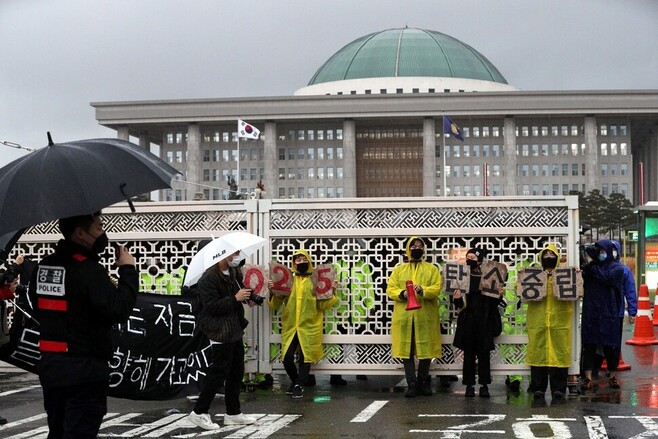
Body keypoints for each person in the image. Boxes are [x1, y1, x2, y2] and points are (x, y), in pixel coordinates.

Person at [28, 212, 138, 438]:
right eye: (98, 228)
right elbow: (118, 309)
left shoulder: (44, 267)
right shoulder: (89, 270)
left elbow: (37, 308)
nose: (102, 234)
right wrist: (128, 269)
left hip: (52, 368)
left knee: (57, 431)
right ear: (80, 233)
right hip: (85, 370)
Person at [187, 249, 257, 430]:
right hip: (219, 330)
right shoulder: (208, 278)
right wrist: (235, 298)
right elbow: (210, 307)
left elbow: (240, 293)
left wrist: (249, 298)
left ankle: (233, 413)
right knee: (219, 372)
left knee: (236, 371)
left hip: (234, 329)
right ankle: (199, 412)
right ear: (222, 254)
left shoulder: (233, 273)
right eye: (234, 253)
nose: (237, 257)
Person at [267, 249, 338, 399]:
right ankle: (296, 381)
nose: (301, 262)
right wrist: (272, 291)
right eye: (298, 260)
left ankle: (299, 385)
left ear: (309, 261)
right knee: (286, 357)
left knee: (305, 357)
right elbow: (276, 303)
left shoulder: (315, 280)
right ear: (293, 263)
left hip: (309, 325)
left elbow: (323, 305)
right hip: (291, 326)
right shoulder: (288, 280)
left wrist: (332, 291)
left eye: (303, 259)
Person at [385, 237, 442, 397]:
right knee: (407, 351)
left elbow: (436, 288)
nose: (417, 248)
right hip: (404, 317)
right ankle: (411, 383)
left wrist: (423, 290)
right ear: (408, 249)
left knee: (426, 351)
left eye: (420, 246)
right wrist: (402, 294)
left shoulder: (432, 269)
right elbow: (391, 289)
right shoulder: (399, 270)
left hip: (425, 317)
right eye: (414, 245)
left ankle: (423, 382)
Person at [453, 247, 504, 398]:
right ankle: (469, 386)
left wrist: (499, 295)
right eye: (467, 257)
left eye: (473, 257)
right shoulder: (462, 277)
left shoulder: (489, 277)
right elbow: (458, 304)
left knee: (484, 356)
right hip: (468, 321)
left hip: (484, 321)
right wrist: (456, 297)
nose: (470, 260)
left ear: (480, 259)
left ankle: (484, 385)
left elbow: (494, 302)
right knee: (468, 356)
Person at [525, 243, 574, 400]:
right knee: (539, 354)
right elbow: (520, 293)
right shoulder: (535, 276)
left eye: (552, 255)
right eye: (545, 255)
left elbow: (579, 290)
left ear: (557, 258)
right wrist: (522, 279)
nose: (549, 258)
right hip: (538, 321)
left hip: (559, 323)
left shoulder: (564, 277)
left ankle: (558, 388)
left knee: (558, 356)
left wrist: (576, 277)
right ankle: (538, 388)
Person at [580, 239, 625, 391]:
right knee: (589, 345)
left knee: (611, 346)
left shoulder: (617, 269)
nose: (601, 254)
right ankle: (587, 378)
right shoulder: (591, 268)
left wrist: (593, 267)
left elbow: (606, 279)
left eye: (603, 251)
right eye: (598, 252)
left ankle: (612, 376)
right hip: (591, 311)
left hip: (609, 312)